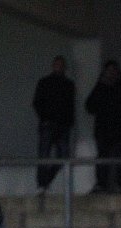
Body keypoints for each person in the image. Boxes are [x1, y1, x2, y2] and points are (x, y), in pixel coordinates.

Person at [85, 60, 121, 194]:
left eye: (113, 70)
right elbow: (89, 106)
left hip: (120, 130)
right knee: (103, 158)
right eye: (108, 70)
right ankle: (101, 184)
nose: (111, 73)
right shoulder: (100, 87)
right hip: (104, 130)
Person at [32, 55, 75, 191]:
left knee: (63, 156)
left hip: (62, 125)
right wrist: (45, 118)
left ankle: (44, 181)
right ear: (53, 66)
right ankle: (42, 183)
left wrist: (68, 122)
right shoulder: (45, 82)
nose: (59, 67)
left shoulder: (68, 84)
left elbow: (70, 105)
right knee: (44, 155)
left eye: (61, 65)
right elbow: (37, 102)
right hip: (49, 124)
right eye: (57, 65)